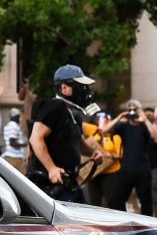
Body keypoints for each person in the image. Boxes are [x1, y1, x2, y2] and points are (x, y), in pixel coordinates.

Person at [27, 65, 103, 203]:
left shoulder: (73, 114)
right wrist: (51, 169)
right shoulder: (54, 107)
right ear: (64, 88)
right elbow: (35, 138)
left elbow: (77, 142)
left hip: (69, 184)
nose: (84, 91)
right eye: (80, 86)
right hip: (51, 187)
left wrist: (93, 153)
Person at [106, 100, 157, 216]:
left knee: (146, 202)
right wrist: (119, 117)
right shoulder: (123, 126)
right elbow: (104, 130)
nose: (132, 112)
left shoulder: (144, 126)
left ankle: (146, 227)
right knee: (117, 201)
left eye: (134, 109)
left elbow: (156, 135)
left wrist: (144, 118)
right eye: (129, 109)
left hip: (142, 170)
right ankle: (122, 223)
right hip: (126, 169)